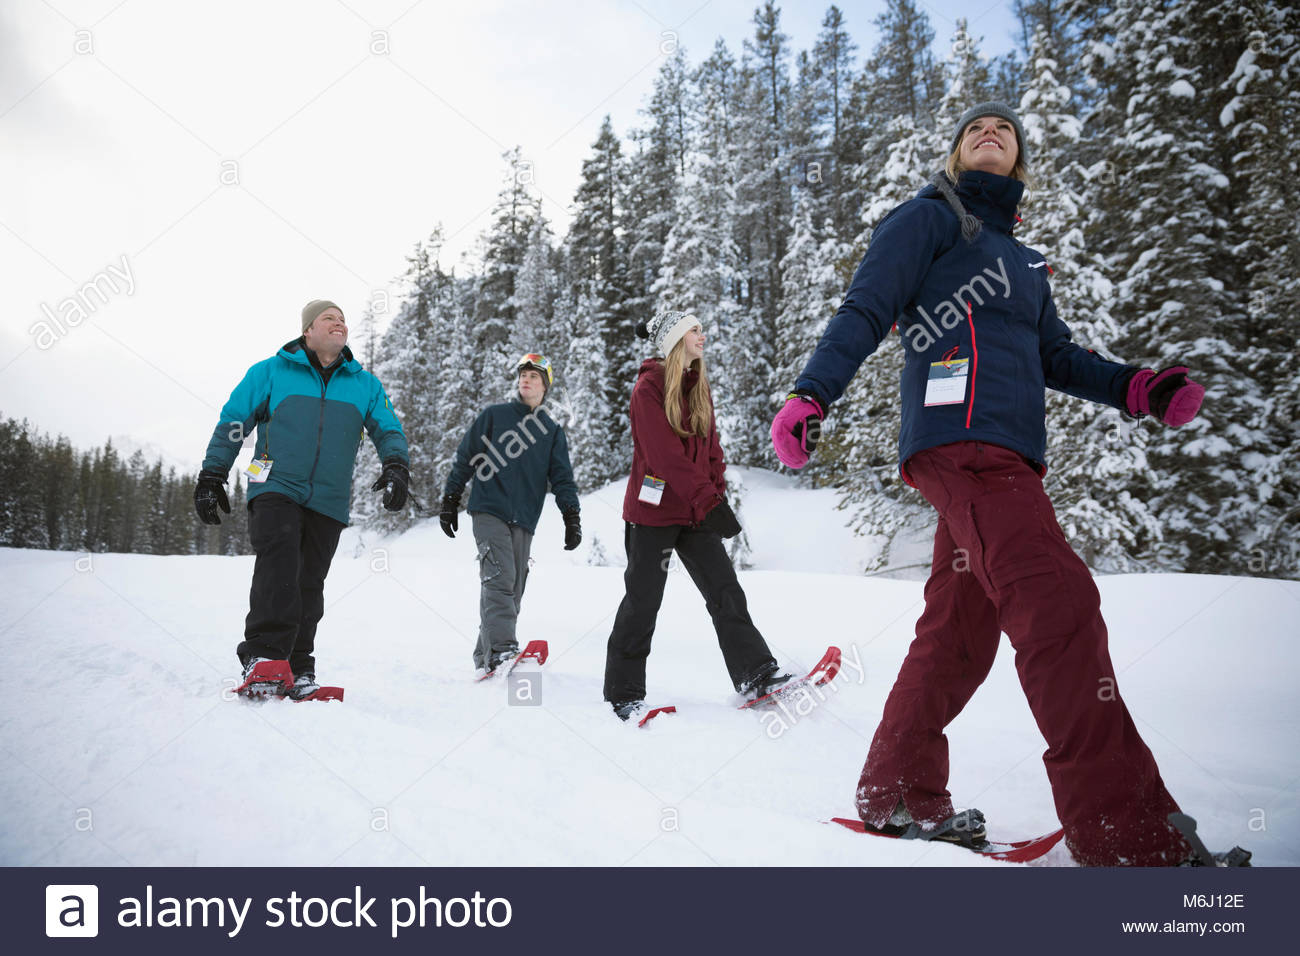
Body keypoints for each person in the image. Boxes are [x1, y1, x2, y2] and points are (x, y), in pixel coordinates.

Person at [771, 103, 1244, 865]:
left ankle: (896, 793)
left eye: (1005, 130)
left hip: (1007, 455)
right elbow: (866, 307)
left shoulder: (1024, 263)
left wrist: (1139, 389)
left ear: (1019, 160)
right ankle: (1128, 837)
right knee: (1060, 607)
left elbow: (1057, 355)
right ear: (957, 152)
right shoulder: (924, 219)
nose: (990, 132)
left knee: (958, 634)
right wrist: (811, 393)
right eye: (974, 130)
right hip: (961, 442)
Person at [195, 299, 410, 700]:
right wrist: (212, 474)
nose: (339, 323)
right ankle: (262, 657)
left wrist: (396, 465)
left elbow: (388, 428)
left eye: (343, 319)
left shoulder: (364, 384)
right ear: (307, 331)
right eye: (329, 318)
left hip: (328, 498)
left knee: (310, 583)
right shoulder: (271, 372)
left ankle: (297, 666)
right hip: (276, 484)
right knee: (280, 563)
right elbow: (234, 422)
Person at [603, 310, 791, 722]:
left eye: (701, 329)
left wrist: (716, 497)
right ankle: (623, 694)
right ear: (674, 339)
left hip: (692, 512)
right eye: (694, 330)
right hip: (652, 514)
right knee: (643, 601)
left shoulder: (698, 386)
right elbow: (664, 457)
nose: (702, 336)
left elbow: (711, 451)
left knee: (725, 591)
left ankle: (755, 675)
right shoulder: (647, 389)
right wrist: (708, 501)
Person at [439, 353, 582, 675]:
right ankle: (503, 652)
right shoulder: (495, 416)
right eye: (523, 375)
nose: (526, 380)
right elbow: (465, 458)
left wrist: (571, 517)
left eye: (533, 376)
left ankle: (484, 657)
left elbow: (562, 479)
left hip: (525, 518)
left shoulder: (550, 430)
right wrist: (450, 499)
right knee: (500, 579)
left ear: (545, 385)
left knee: (513, 588)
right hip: (489, 509)